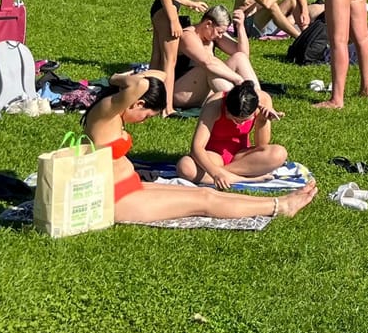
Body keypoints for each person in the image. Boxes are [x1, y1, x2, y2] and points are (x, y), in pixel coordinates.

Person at [82, 71, 316, 222]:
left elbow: (160, 75)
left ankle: (280, 202)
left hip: (128, 187)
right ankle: (280, 206)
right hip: (117, 199)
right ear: (138, 103)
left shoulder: (115, 116)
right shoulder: (104, 114)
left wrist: (122, 79)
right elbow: (141, 83)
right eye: (146, 115)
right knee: (204, 203)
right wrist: (116, 79)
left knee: (205, 193)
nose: (145, 120)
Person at [175, 79, 290, 188]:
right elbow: (197, 147)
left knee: (279, 153)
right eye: (234, 118)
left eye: (243, 120)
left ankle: (226, 175)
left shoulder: (264, 99)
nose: (238, 123)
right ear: (226, 108)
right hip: (214, 155)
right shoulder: (214, 104)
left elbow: (262, 145)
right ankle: (242, 178)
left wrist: (262, 120)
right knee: (185, 167)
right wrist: (215, 172)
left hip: (241, 156)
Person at [172, 5, 260, 110]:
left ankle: (258, 99)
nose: (220, 36)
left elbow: (243, 54)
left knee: (239, 57)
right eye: (219, 32)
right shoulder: (188, 36)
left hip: (204, 89)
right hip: (182, 92)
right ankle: (240, 104)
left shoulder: (213, 35)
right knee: (211, 68)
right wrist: (238, 79)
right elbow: (208, 62)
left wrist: (240, 27)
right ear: (208, 24)